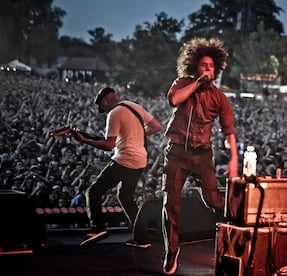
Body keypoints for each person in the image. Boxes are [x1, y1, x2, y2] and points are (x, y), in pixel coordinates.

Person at [161, 37, 239, 275]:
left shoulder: (219, 97)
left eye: (211, 66)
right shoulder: (182, 83)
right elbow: (173, 99)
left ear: (217, 70)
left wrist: (234, 158)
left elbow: (229, 130)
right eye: (203, 65)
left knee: (214, 200)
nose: (208, 69)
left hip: (202, 155)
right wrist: (196, 84)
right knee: (171, 204)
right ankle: (171, 252)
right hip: (177, 153)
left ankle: (243, 212)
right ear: (194, 66)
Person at [71, 87, 161, 247]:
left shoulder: (114, 113)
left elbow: (108, 145)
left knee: (93, 192)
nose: (104, 111)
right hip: (140, 160)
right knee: (125, 196)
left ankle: (97, 228)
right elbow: (156, 127)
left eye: (103, 108)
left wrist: (83, 140)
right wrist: (134, 135)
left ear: (105, 101)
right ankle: (142, 238)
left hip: (125, 159)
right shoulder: (134, 106)